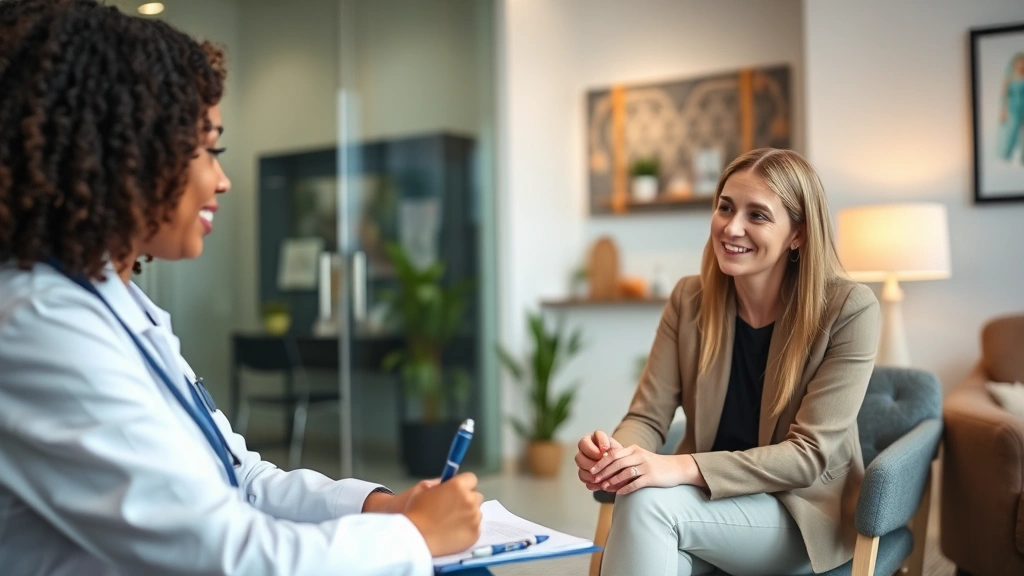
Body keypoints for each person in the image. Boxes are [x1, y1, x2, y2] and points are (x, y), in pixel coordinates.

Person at [0, 1, 481, 574]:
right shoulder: (38, 324)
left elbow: (241, 479)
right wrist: (413, 538)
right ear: (113, 152)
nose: (221, 179)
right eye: (205, 149)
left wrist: (386, 507)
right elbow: (226, 557)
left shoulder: (118, 304)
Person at [576, 148, 881, 576]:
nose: (731, 227)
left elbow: (807, 456)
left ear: (798, 233)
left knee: (648, 503)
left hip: (797, 512)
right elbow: (647, 415)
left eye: (757, 215)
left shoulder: (849, 309)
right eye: (725, 207)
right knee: (642, 501)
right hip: (704, 504)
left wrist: (676, 466)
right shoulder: (689, 300)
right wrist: (617, 455)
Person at [999, 52, 1024, 163]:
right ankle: (1006, 156)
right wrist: (1004, 111)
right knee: (1012, 133)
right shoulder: (1009, 78)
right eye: (1019, 63)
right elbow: (1004, 95)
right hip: (1013, 109)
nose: (1021, 65)